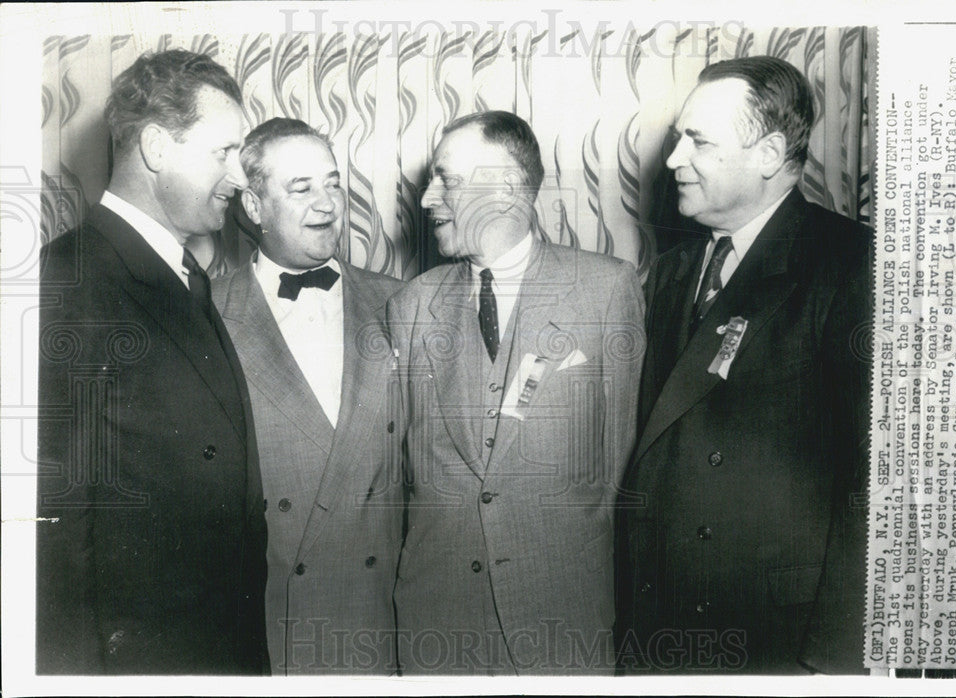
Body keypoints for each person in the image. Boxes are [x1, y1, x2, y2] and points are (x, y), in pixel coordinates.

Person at [616, 56, 872, 674]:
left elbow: (874, 490)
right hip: (660, 629)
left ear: (768, 153)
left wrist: (833, 664)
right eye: (679, 138)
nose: (673, 158)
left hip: (772, 641)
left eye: (697, 140)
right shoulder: (672, 272)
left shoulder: (852, 265)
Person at [387, 110, 645, 675]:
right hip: (439, 623)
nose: (428, 198)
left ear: (505, 185)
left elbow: (618, 465)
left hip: (562, 618)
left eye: (446, 180)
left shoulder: (606, 290)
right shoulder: (409, 306)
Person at [36, 49, 268, 673]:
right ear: (159, 147)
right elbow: (56, 528)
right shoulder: (72, 279)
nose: (240, 179)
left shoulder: (178, 273)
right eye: (224, 153)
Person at [211, 118, 404, 675]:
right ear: (252, 205)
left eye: (333, 183)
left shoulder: (404, 304)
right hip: (273, 627)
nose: (327, 204)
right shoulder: (205, 316)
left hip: (384, 623)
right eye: (301, 188)